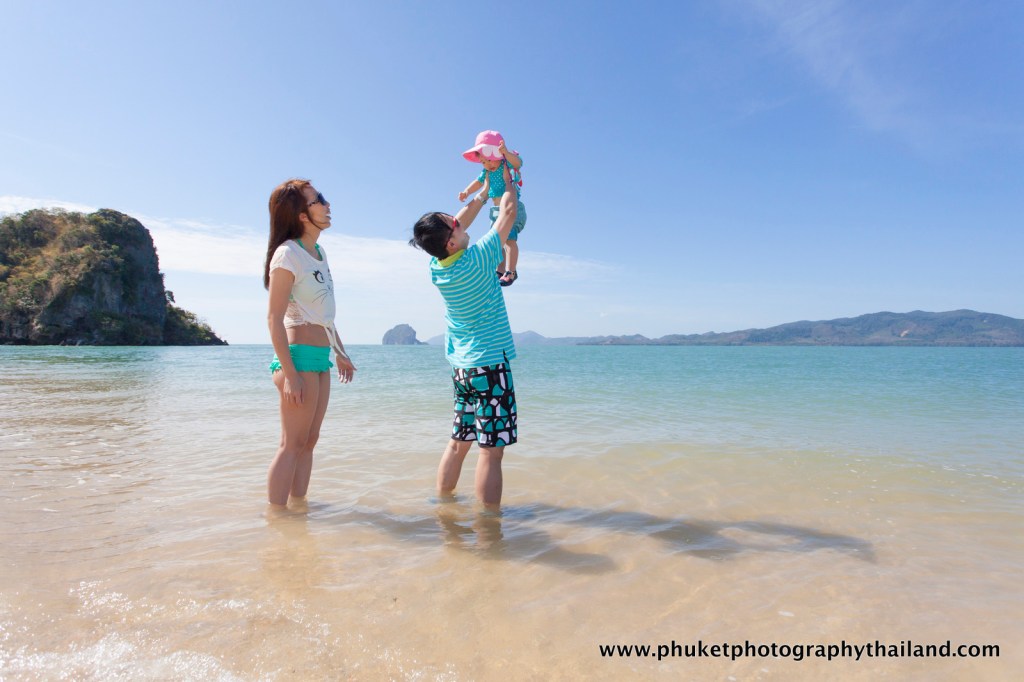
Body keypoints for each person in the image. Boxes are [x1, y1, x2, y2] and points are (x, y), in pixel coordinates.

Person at [410, 165, 520, 509]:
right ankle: (489, 525)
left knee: (459, 441)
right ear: (452, 241)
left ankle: (444, 506)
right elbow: (509, 213)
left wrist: (483, 192)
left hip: (462, 370)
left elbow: (460, 223)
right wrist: (509, 179)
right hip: (490, 367)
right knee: (491, 452)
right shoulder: (479, 258)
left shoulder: (437, 267)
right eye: (455, 224)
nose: (460, 221)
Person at [263, 179, 356, 507]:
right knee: (292, 443)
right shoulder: (287, 255)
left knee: (309, 441)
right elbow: (274, 318)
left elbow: (323, 315)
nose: (327, 205)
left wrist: (340, 353)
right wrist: (290, 374)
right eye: (320, 200)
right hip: (298, 359)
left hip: (320, 359)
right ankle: (276, 519)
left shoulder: (318, 253)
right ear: (302, 215)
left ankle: (298, 515)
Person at [458, 130, 526, 287]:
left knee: (509, 240)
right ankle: (500, 270)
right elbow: (478, 182)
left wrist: (506, 153)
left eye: (490, 160)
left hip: (512, 208)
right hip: (496, 210)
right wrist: (467, 191)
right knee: (498, 241)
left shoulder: (506, 163)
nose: (487, 164)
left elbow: (518, 163)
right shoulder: (487, 171)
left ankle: (511, 271)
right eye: (483, 162)